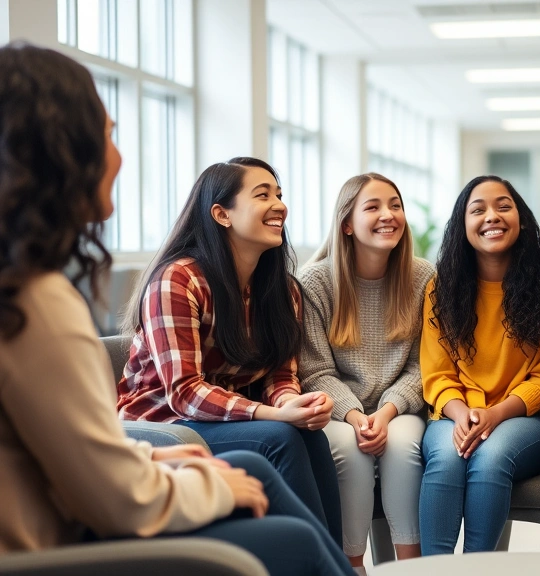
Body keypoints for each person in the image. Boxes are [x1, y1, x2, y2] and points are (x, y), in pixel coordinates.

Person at [0, 42, 355, 576]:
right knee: (280, 478)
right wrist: (221, 461)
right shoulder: (45, 304)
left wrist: (289, 404)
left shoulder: (282, 288)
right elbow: (173, 407)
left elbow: (64, 457)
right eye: (109, 135)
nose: (118, 156)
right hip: (152, 436)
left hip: (100, 491)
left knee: (282, 441)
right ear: (65, 152)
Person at [115, 157, 342, 542]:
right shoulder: (177, 281)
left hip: (224, 419)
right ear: (221, 214)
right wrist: (274, 415)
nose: (279, 204)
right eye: (262, 194)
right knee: (280, 437)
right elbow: (184, 392)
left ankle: (334, 563)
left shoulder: (282, 290)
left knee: (308, 434)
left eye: (280, 194)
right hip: (159, 423)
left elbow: (281, 374)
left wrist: (291, 405)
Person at [418, 175, 540, 554]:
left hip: (524, 418)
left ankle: (478, 566)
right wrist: (461, 414)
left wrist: (495, 414)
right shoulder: (440, 288)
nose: (492, 216)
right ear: (462, 225)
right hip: (454, 413)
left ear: (521, 218)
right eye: (478, 209)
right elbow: (436, 373)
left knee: (490, 458)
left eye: (503, 207)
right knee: (445, 457)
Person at [299, 173, 434, 573]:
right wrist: (357, 417)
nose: (388, 215)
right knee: (349, 451)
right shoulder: (315, 282)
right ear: (346, 223)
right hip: (339, 409)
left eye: (395, 205)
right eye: (372, 207)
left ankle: (412, 566)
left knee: (404, 447)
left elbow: (424, 365)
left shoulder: (424, 277)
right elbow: (315, 370)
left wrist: (387, 412)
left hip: (400, 408)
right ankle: (351, 565)